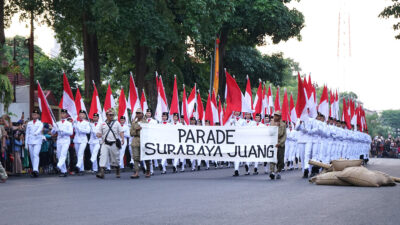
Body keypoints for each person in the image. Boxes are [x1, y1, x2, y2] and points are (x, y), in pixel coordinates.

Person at [96, 108, 124, 179]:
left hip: (114, 143)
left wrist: (122, 139)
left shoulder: (116, 123)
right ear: (106, 115)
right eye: (110, 115)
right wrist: (98, 135)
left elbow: (121, 131)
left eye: (112, 115)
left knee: (116, 158)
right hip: (105, 143)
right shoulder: (102, 124)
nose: (111, 116)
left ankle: (117, 169)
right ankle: (101, 172)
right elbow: (98, 132)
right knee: (103, 156)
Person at [52, 109, 73, 177]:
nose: (62, 115)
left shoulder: (69, 123)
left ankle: (58, 166)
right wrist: (54, 128)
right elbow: (53, 132)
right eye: (61, 113)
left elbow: (71, 132)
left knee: (63, 154)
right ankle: (63, 171)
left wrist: (63, 131)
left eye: (64, 113)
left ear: (66, 115)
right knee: (59, 155)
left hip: (66, 140)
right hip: (59, 140)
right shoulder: (57, 123)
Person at [130, 108, 150, 178]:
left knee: (146, 156)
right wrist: (136, 129)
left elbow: (149, 132)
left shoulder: (145, 123)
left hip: (144, 140)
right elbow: (131, 133)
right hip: (136, 140)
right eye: (137, 113)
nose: (138, 114)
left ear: (142, 114)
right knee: (135, 157)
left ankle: (148, 170)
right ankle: (136, 172)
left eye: (139, 113)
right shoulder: (134, 123)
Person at [25, 109, 44, 177]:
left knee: (36, 154)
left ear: (38, 116)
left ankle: (35, 170)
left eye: (35, 114)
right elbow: (27, 134)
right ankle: (35, 170)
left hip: (37, 141)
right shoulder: (29, 123)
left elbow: (39, 129)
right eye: (33, 114)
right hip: (30, 141)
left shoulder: (40, 123)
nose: (34, 116)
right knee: (32, 156)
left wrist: (36, 133)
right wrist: (26, 144)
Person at [269, 111, 286, 180]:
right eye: (275, 115)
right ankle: (272, 172)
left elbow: (284, 136)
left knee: (280, 160)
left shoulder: (283, 125)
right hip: (273, 143)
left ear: (280, 117)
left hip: (280, 144)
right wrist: (274, 126)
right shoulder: (271, 123)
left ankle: (278, 171)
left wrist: (280, 143)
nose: (275, 117)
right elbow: (269, 133)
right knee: (272, 158)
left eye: (277, 115)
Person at [73, 110, 91, 175]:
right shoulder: (76, 122)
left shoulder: (86, 123)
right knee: (78, 154)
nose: (81, 115)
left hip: (83, 140)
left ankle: (77, 166)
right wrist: (73, 124)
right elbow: (73, 130)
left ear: (85, 116)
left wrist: (80, 129)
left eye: (82, 114)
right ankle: (81, 169)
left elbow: (88, 131)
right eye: (80, 114)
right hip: (77, 139)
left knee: (80, 153)